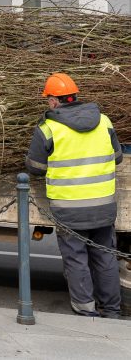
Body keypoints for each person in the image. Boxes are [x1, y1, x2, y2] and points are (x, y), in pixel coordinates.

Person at [26, 72, 123, 318]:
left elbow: (35, 168)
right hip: (103, 205)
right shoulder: (104, 121)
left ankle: (85, 309)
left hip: (69, 207)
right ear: (75, 96)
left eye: (48, 98)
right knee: (106, 257)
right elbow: (118, 157)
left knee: (76, 258)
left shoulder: (48, 128)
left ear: (54, 101)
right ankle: (111, 309)